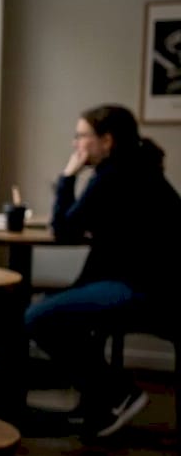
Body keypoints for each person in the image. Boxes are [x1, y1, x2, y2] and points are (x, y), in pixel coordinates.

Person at [26, 104, 181, 438]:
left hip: (145, 290)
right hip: (157, 285)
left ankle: (119, 393)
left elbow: (64, 229)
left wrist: (68, 176)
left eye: (82, 136)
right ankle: (97, 405)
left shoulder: (114, 175)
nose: (76, 144)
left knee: (38, 317)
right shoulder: (138, 169)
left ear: (106, 141)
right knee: (65, 309)